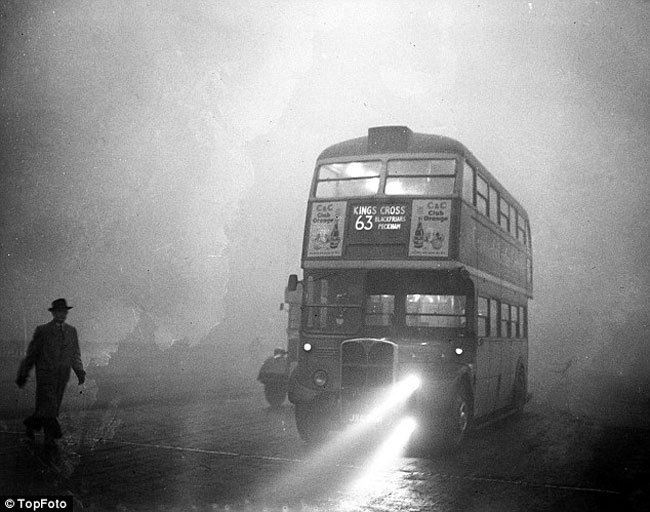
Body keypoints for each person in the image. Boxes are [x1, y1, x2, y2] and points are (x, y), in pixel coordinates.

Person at [16, 298, 86, 450]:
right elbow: (32, 354)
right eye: (58, 312)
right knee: (50, 407)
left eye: (64, 312)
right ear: (53, 313)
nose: (62, 315)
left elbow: (75, 354)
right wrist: (23, 373)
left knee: (49, 408)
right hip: (46, 376)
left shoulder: (71, 331)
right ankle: (50, 438)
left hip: (62, 376)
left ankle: (30, 425)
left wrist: (79, 371)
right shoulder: (43, 330)